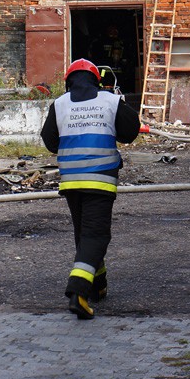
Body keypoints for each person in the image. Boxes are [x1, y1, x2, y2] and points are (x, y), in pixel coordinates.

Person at [40, 58, 140, 319]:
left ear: (68, 81)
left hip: (72, 182)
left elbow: (50, 141)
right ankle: (78, 292)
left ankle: (98, 285)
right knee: (96, 236)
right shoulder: (109, 100)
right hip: (100, 180)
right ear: (97, 80)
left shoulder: (60, 105)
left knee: (85, 235)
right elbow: (130, 131)